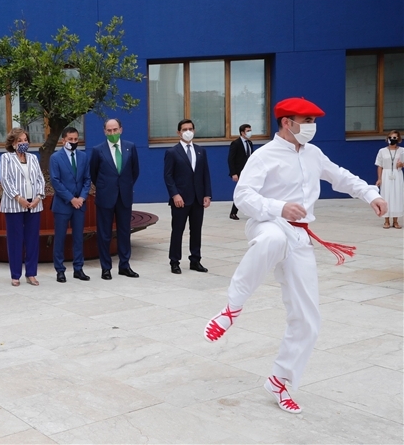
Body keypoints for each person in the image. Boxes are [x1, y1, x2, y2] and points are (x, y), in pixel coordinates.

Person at [203, 97, 387, 414]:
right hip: (268, 223)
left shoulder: (313, 154)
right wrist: (279, 207)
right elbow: (242, 196)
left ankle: (280, 380)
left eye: (314, 121)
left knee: (308, 321)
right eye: (307, 121)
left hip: (301, 236)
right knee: (272, 239)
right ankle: (232, 308)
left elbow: (340, 176)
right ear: (287, 122)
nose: (312, 127)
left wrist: (371, 194)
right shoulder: (265, 157)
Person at [89, 118, 140, 280]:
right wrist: (105, 187)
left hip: (124, 197)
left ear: (121, 130)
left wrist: (124, 186)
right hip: (105, 197)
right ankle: (106, 268)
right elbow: (94, 173)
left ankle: (124, 265)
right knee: (104, 234)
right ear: (105, 132)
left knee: (125, 232)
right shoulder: (98, 150)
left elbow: (134, 171)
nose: (112, 133)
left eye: (115, 130)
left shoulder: (130, 147)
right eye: (109, 131)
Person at [163, 119, 212, 274]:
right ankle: (174, 261)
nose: (188, 131)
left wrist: (207, 194)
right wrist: (175, 195)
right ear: (179, 132)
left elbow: (205, 174)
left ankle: (195, 260)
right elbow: (168, 176)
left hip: (198, 198)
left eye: (190, 128)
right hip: (180, 200)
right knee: (177, 230)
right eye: (184, 129)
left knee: (196, 230)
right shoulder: (172, 152)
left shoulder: (200, 151)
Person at [0, 128, 46, 286]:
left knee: (32, 240)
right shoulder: (6, 158)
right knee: (15, 240)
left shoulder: (33, 158)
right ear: (13, 143)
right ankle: (15, 275)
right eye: (20, 141)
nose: (23, 143)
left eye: (25, 140)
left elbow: (40, 179)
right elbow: (5, 181)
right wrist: (19, 198)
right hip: (14, 205)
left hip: (34, 205)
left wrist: (39, 197)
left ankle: (31, 273)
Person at [49, 127, 92, 283]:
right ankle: (60, 270)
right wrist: (71, 198)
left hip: (79, 204)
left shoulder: (83, 156)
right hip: (63, 205)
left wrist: (81, 197)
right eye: (70, 140)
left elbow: (87, 179)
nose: (73, 142)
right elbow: (55, 181)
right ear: (63, 140)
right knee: (60, 238)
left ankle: (78, 269)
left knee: (78, 238)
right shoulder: (55, 158)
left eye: (75, 139)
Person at [375, 130, 403, 229]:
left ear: (398, 139)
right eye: (391, 137)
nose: (393, 139)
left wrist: (402, 164)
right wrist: (379, 178)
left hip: (397, 174)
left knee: (397, 196)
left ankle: (395, 221)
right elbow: (379, 166)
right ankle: (386, 220)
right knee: (386, 196)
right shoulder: (382, 151)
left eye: (395, 137)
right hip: (386, 175)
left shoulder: (402, 150)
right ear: (387, 138)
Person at [228, 123, 254, 220]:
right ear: (242, 133)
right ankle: (233, 213)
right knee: (241, 191)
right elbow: (231, 159)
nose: (250, 133)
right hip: (239, 172)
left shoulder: (250, 143)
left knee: (251, 191)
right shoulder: (236, 143)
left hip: (249, 171)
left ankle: (251, 211)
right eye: (248, 131)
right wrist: (233, 173)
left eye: (250, 130)